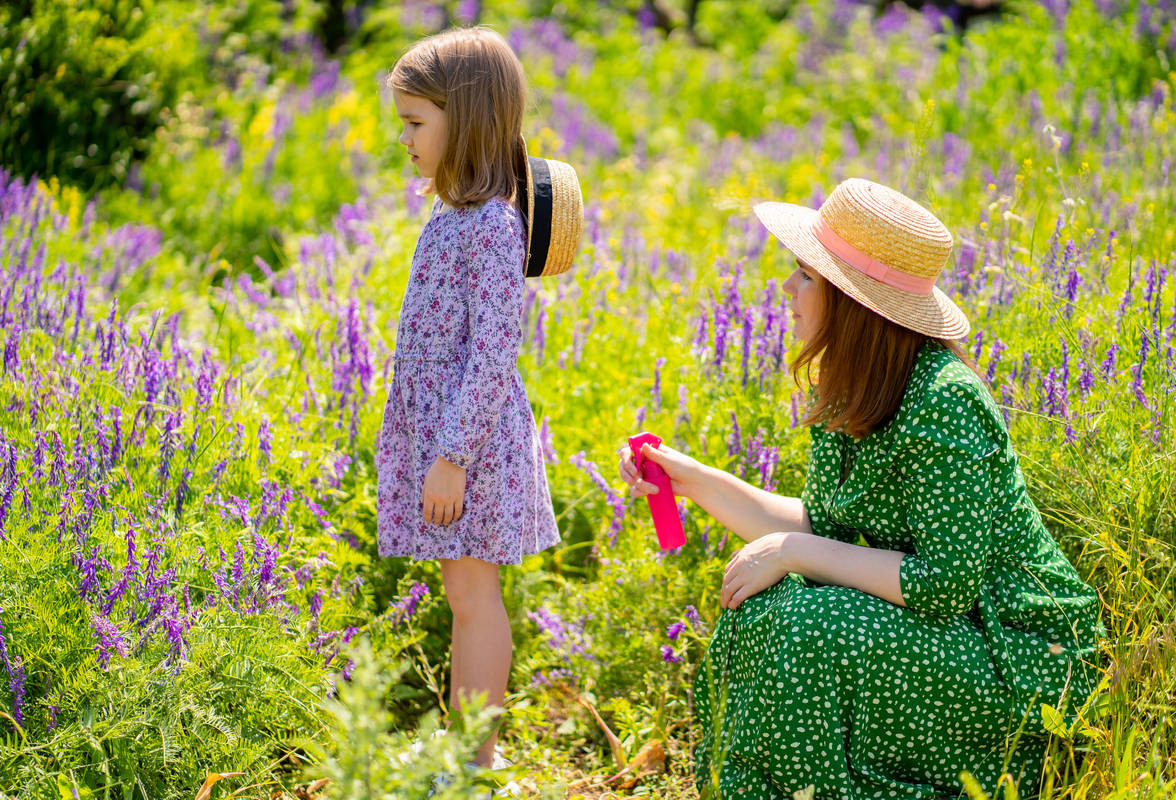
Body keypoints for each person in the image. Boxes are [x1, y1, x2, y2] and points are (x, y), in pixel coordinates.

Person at [618, 178, 1102, 799]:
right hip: (948, 637)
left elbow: (944, 584)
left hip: (1016, 657)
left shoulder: (944, 401)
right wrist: (691, 480)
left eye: (805, 277)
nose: (786, 290)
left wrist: (793, 555)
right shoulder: (857, 387)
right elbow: (826, 528)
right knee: (762, 610)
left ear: (854, 304)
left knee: (809, 621)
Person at [375, 27, 565, 772]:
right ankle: (465, 753)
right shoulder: (454, 215)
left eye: (416, 123)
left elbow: (492, 353)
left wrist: (450, 456)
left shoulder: (488, 224)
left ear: (469, 119)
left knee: (474, 597)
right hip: (450, 436)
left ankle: (476, 762)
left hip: (471, 444)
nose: (406, 140)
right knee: (464, 596)